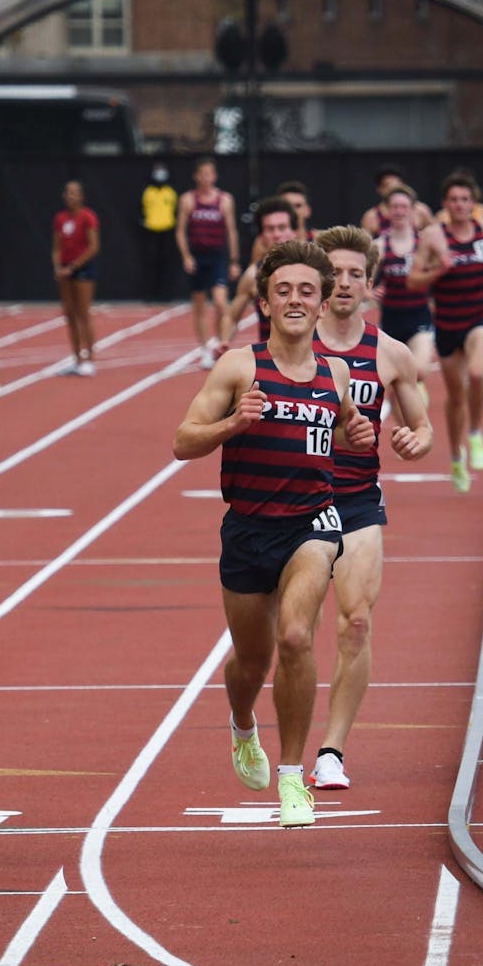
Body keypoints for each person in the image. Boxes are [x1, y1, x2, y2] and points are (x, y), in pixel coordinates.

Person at [173, 238, 375, 827]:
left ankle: (293, 779)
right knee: (252, 662)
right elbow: (183, 440)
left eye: (306, 291)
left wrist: (352, 438)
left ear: (322, 303)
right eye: (283, 290)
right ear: (264, 301)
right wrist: (235, 422)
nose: (295, 299)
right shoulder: (240, 365)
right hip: (248, 528)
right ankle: (242, 725)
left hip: (313, 523)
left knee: (296, 637)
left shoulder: (335, 372)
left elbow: (337, 434)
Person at [309, 225, 433, 790]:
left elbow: (422, 423)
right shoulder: (289, 346)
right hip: (291, 504)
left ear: (370, 284)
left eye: (356, 273)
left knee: (356, 622)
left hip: (357, 500)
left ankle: (332, 750)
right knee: (283, 637)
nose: (344, 282)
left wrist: (416, 440)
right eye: (334, 271)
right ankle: (255, 723)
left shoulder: (390, 353)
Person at [409, 171, 483, 492]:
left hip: (480, 316)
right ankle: (456, 457)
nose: (460, 205)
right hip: (447, 323)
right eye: (454, 199)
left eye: (465, 199)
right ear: (445, 204)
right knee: (455, 398)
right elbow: (413, 280)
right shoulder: (433, 238)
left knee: (478, 374)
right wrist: (439, 270)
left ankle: (476, 434)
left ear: (474, 202)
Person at [372, 184, 435, 407]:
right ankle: (407, 425)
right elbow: (365, 280)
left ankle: (417, 386)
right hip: (391, 320)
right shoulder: (380, 245)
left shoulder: (425, 242)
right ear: (387, 210)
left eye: (404, 206)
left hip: (419, 317)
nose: (399, 211)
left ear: (412, 210)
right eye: (394, 207)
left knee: (418, 371)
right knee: (396, 382)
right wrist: (372, 290)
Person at [175, 156, 241, 369]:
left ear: (214, 176)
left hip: (217, 256)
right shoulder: (187, 200)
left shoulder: (224, 200)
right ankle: (204, 349)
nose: (206, 178)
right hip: (197, 256)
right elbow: (180, 231)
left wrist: (233, 260)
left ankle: (221, 343)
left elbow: (231, 231)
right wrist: (186, 256)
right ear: (196, 176)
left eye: (209, 174)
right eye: (202, 174)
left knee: (221, 302)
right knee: (200, 304)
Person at [218, 196, 298, 348]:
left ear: (293, 231)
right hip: (270, 362)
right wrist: (224, 341)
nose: (276, 234)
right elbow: (231, 317)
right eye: (270, 229)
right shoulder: (253, 275)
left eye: (282, 227)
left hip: (308, 359)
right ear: (261, 236)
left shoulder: (313, 270)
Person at [52, 179, 100, 376]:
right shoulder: (60, 218)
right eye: (67, 192)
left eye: (74, 193)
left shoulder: (88, 217)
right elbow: (56, 247)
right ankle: (76, 358)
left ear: (81, 196)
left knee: (83, 313)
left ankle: (90, 358)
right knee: (70, 314)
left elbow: (93, 246)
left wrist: (73, 267)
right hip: (65, 270)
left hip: (82, 269)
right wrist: (57, 267)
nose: (70, 196)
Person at [360, 163, 434, 237]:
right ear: (379, 189)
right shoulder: (371, 217)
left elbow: (434, 237)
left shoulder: (421, 211)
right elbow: (364, 246)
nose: (393, 189)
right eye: (387, 186)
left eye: (397, 185)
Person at [140, 163, 178, 301]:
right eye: (157, 171)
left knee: (166, 264)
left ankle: (166, 295)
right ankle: (151, 295)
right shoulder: (148, 191)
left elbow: (176, 210)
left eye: (162, 171)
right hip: (151, 230)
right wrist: (143, 221)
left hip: (167, 230)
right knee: (151, 264)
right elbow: (140, 210)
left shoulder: (170, 192)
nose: (160, 174)